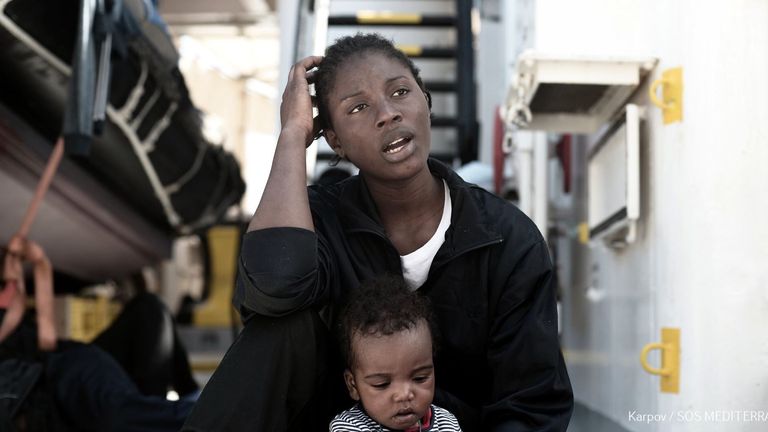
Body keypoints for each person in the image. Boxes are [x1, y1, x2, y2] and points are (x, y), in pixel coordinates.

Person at [183, 32, 572, 432]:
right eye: (359, 107)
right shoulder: (320, 218)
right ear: (335, 140)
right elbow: (273, 289)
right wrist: (292, 136)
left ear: (426, 100)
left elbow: (532, 405)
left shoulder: (508, 239)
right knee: (282, 327)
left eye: (401, 91)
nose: (387, 114)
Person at [330, 274, 461, 431]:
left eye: (420, 378)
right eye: (382, 384)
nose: (404, 394)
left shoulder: (446, 422)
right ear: (353, 385)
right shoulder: (349, 427)